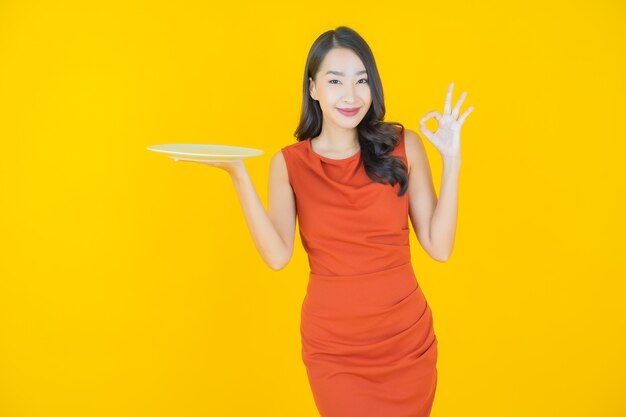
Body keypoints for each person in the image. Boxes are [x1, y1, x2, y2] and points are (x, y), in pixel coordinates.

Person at [179, 26, 473, 417]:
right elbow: (278, 257)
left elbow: (440, 246)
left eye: (361, 80)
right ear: (313, 88)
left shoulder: (405, 145)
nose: (350, 95)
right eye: (335, 81)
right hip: (335, 349)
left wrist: (452, 160)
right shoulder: (289, 164)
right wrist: (238, 175)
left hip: (405, 341)